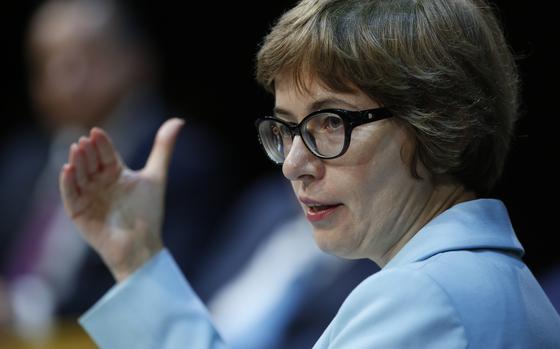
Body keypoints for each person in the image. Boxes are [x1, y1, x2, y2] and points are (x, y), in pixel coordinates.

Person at [58, 0, 560, 347]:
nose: (294, 165)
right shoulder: (482, 281)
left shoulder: (425, 298)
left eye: (329, 122)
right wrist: (137, 259)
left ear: (440, 123)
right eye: (286, 129)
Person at [0, 0, 235, 342]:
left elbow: (177, 292)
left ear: (137, 59)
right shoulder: (24, 158)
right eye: (46, 61)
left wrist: (23, 314)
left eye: (85, 56)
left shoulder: (182, 162)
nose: (63, 74)